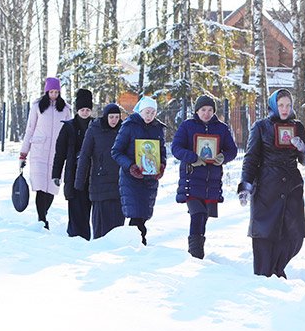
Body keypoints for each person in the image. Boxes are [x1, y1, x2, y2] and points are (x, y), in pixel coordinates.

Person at [238, 89, 305, 278]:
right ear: (273, 105)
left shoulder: (298, 127)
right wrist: (246, 185)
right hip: (266, 186)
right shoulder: (261, 126)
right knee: (265, 234)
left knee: (294, 236)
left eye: (288, 105)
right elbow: (251, 158)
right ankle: (265, 275)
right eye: (281, 105)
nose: (285, 109)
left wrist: (303, 149)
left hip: (292, 186)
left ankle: (278, 270)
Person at [171, 95, 237, 259]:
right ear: (197, 111)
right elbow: (176, 148)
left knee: (204, 216)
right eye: (203, 110)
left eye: (209, 110)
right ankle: (196, 253)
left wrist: (223, 156)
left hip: (211, 182)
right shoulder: (187, 126)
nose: (206, 114)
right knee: (197, 214)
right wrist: (193, 158)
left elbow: (232, 149)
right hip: (191, 179)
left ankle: (196, 251)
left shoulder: (221, 128)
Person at [111, 96, 167, 245]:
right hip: (131, 178)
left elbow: (162, 152)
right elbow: (116, 151)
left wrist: (161, 165)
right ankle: (137, 244)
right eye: (147, 112)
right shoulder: (129, 126)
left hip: (150, 179)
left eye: (153, 113)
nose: (149, 116)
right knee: (135, 214)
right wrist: (130, 166)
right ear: (140, 111)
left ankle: (137, 244)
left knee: (143, 214)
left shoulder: (158, 129)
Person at [19, 77, 73, 229]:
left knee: (51, 187)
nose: (54, 94)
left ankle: (44, 214)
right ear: (46, 91)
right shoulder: (37, 106)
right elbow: (30, 129)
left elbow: (70, 131)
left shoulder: (66, 109)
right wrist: (23, 153)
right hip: (39, 150)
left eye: (56, 92)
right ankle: (42, 219)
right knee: (40, 186)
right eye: (51, 92)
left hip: (58, 153)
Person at [75, 103, 125, 239]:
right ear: (105, 117)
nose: (114, 120)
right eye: (111, 117)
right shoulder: (94, 130)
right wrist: (79, 181)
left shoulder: (123, 130)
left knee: (117, 222)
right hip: (99, 182)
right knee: (101, 223)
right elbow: (85, 156)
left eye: (116, 117)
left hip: (118, 182)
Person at [51, 88, 94, 240]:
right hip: (73, 173)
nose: (84, 112)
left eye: (87, 109)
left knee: (90, 205)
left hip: (92, 173)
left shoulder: (96, 125)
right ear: (77, 110)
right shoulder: (69, 127)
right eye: (82, 109)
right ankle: (76, 236)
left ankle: (89, 235)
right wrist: (56, 173)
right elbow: (60, 152)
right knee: (76, 204)